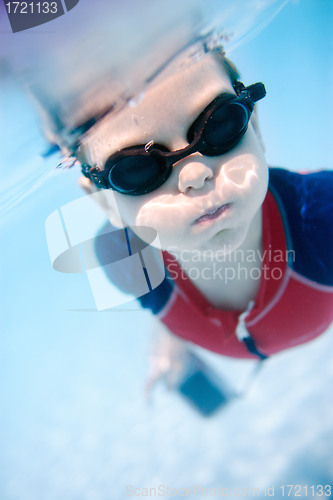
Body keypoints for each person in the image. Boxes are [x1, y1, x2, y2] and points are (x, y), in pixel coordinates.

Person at [72, 41, 333, 390]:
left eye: (221, 125)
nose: (195, 175)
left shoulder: (323, 217)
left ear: (254, 127)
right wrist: (173, 334)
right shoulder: (120, 256)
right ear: (107, 204)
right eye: (135, 170)